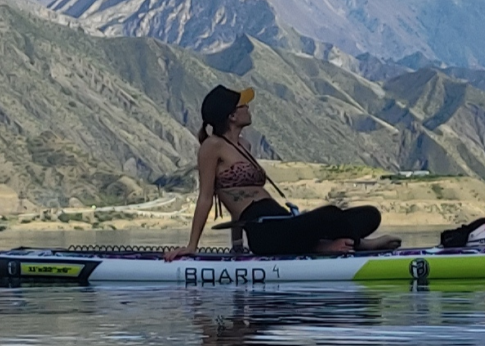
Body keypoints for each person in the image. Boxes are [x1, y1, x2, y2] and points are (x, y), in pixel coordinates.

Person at [165, 85, 400, 260]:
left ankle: (325, 244)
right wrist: (192, 246)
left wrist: (236, 247)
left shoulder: (245, 146)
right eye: (243, 106)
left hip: (281, 219)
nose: (249, 109)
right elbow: (207, 196)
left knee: (369, 214)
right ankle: (356, 245)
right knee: (329, 213)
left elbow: (238, 197)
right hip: (263, 231)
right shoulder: (212, 146)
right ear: (232, 116)